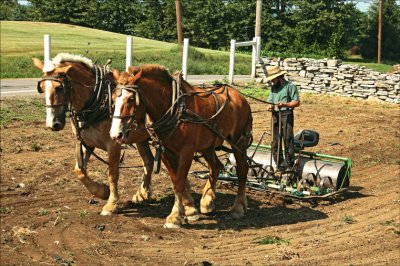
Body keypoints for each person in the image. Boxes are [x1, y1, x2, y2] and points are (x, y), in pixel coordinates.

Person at [266, 65, 300, 172]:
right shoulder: (273, 88)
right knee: (275, 141)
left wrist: (285, 104)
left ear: (279, 77)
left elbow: (296, 102)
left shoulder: (290, 86)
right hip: (275, 115)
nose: (271, 81)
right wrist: (270, 106)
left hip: (286, 114)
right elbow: (271, 101)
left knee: (287, 138)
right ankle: (279, 164)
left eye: (272, 79)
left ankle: (289, 164)